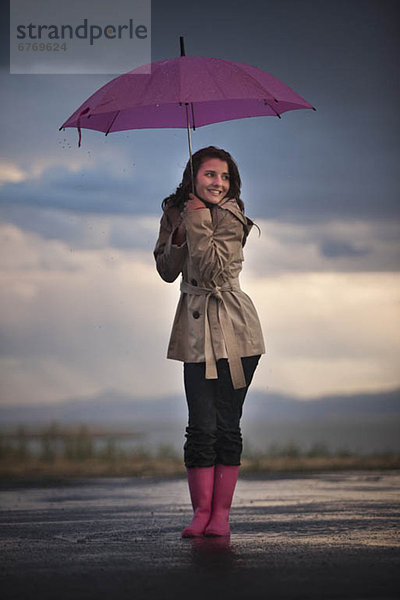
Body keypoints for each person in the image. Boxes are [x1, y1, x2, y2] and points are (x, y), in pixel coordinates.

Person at [154, 146, 265, 537]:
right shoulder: (175, 212)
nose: (218, 183)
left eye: (224, 177)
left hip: (237, 331)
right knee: (199, 426)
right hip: (195, 328)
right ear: (193, 176)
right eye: (210, 175)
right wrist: (180, 233)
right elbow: (167, 271)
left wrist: (199, 221)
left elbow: (215, 268)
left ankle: (221, 515)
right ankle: (201, 513)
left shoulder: (234, 216)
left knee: (227, 425)